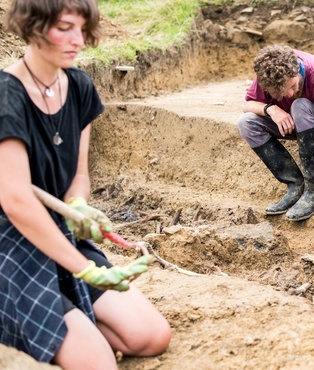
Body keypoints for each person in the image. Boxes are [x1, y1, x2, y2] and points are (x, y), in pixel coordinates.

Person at [0, 1, 171, 369]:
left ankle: (68, 324)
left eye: (82, 28)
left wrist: (77, 206)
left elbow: (78, 175)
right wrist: (84, 267)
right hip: (11, 246)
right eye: (64, 28)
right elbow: (16, 201)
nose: (78, 39)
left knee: (151, 336)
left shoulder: (78, 86)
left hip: (59, 235)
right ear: (33, 27)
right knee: (99, 363)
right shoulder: (6, 97)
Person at [237, 44, 314, 221]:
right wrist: (272, 109)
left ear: (297, 69)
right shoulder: (270, 73)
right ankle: (296, 184)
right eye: (280, 92)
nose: (290, 93)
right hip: (301, 121)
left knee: (300, 104)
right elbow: (247, 105)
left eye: (293, 85)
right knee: (246, 123)